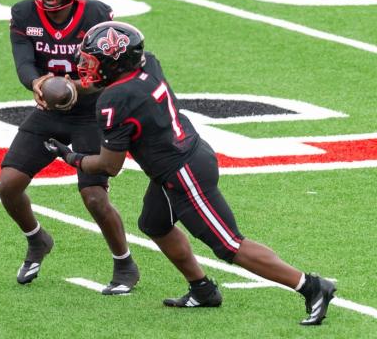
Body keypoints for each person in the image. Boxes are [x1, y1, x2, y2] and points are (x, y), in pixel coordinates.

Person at [44, 21, 336, 325]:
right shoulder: (147, 64)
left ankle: (312, 286)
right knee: (154, 223)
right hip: (185, 155)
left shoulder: (113, 100)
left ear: (115, 63)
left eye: (92, 61)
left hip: (184, 174)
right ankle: (202, 289)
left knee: (229, 245)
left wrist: (71, 157)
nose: (85, 67)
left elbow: (109, 166)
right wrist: (72, 88)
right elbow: (113, 88)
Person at [0, 0, 139, 294]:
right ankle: (37, 239)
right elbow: (24, 63)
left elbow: (113, 71)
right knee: (8, 184)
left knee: (94, 197)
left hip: (89, 114)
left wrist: (75, 87)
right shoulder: (23, 13)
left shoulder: (96, 14)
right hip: (49, 111)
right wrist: (37, 83)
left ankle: (125, 264)